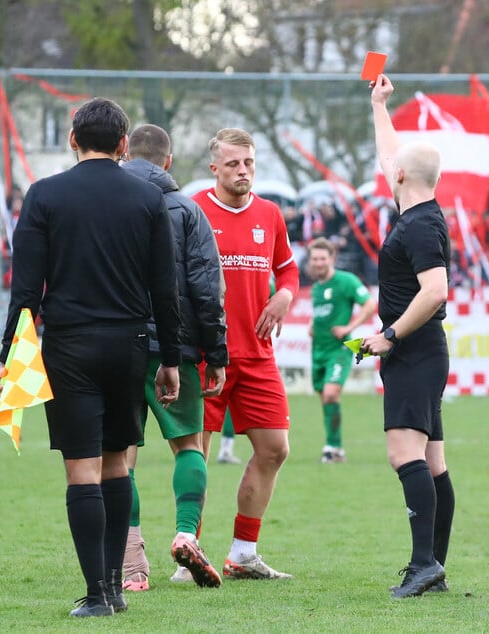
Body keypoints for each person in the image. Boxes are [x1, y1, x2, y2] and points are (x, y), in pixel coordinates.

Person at [0, 98, 181, 618]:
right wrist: (169, 358)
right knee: (118, 462)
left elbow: (25, 292)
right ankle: (116, 587)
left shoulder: (45, 195)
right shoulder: (147, 199)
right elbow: (164, 289)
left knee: (82, 470)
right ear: (124, 145)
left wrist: (10, 360)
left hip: (69, 346)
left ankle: (97, 593)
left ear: (73, 140)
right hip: (129, 345)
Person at [119, 123, 228, 590]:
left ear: (125, 154)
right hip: (175, 347)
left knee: (120, 458)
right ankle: (187, 534)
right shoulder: (187, 210)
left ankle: (131, 564)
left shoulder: (109, 206)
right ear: (168, 162)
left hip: (117, 346)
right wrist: (215, 351)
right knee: (188, 443)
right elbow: (206, 286)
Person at [358, 74, 454, 599]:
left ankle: (424, 565)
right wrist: (379, 106)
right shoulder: (418, 209)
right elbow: (390, 153)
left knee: (405, 456)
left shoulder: (417, 226)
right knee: (433, 463)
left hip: (414, 353)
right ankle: (432, 565)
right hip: (423, 354)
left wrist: (390, 334)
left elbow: (435, 290)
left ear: (399, 177)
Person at [191, 128, 300, 580]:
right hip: (204, 356)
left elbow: (288, 268)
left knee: (275, 449)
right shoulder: (193, 209)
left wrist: (285, 297)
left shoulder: (270, 214)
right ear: (214, 168)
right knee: (194, 455)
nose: (243, 171)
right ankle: (188, 549)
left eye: (249, 163)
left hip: (257, 356)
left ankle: (243, 553)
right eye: (233, 164)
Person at [306, 237, 377, 463]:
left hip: (339, 349)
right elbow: (322, 313)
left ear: (332, 259)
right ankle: (335, 449)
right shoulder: (316, 288)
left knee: (330, 393)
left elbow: (370, 304)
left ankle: (333, 446)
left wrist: (350, 327)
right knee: (326, 400)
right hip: (318, 350)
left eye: (322, 258)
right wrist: (311, 325)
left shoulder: (346, 281)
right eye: (314, 258)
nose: (318, 263)